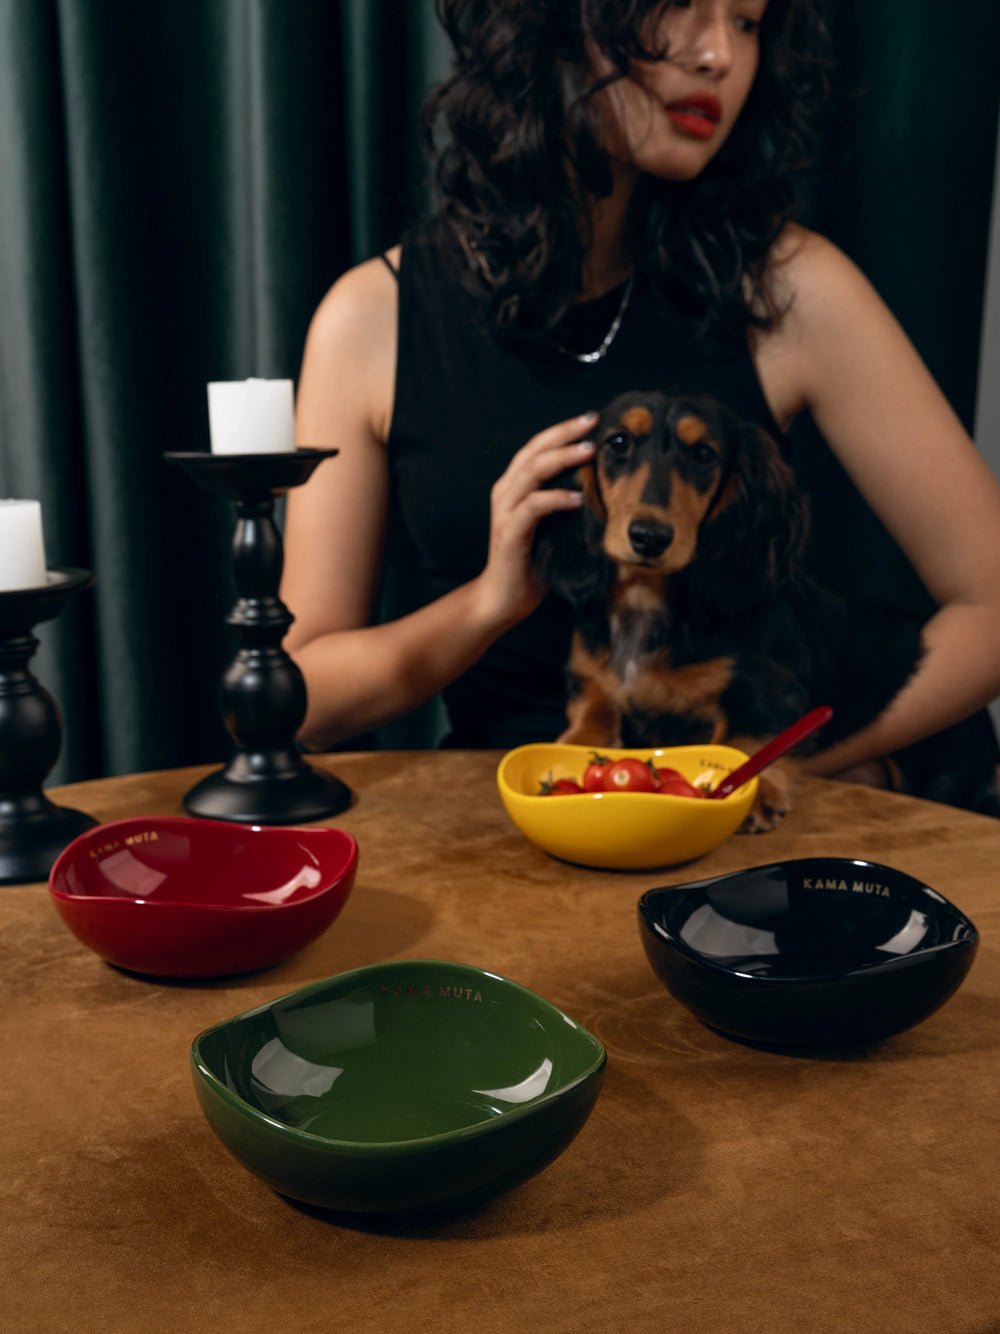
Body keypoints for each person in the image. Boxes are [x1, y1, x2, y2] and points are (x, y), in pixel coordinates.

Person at [281, 0, 1000, 811]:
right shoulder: (371, 319)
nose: (720, 56)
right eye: (682, 6)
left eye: (749, 21)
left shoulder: (791, 289)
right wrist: (490, 602)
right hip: (502, 834)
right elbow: (301, 700)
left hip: (733, 845)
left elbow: (994, 604)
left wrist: (773, 764)